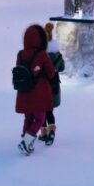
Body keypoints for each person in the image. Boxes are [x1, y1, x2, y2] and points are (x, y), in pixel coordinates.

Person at [13, 24, 56, 155]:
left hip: (24, 93)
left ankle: (26, 140)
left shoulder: (20, 54)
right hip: (39, 94)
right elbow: (51, 73)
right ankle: (26, 142)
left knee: (28, 118)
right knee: (39, 119)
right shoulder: (42, 54)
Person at [38, 22, 65, 145]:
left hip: (41, 86)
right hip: (54, 85)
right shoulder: (56, 53)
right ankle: (51, 131)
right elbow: (62, 67)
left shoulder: (40, 54)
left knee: (41, 110)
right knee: (49, 110)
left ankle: (44, 133)